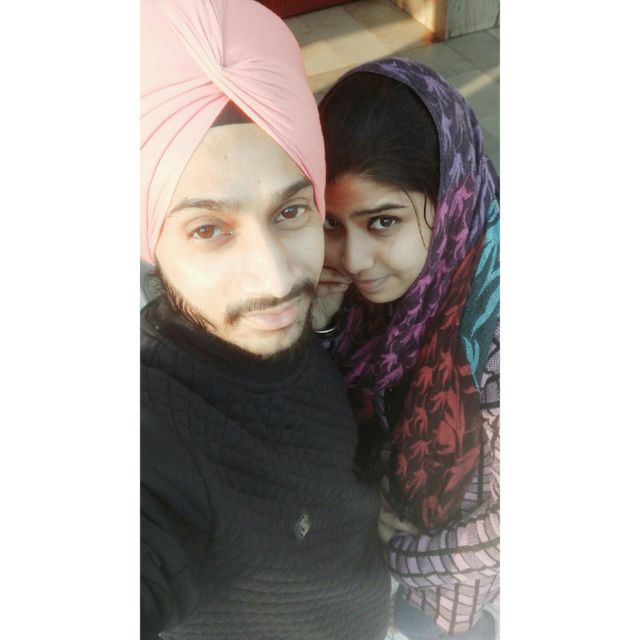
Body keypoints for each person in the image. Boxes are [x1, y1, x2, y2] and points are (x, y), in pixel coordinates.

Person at [139, 1, 389, 638]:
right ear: (148, 239)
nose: (276, 281)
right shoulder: (153, 425)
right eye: (208, 229)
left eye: (290, 212)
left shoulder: (313, 316)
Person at [314, 58, 500, 639]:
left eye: (383, 222)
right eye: (330, 224)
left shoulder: (496, 334)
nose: (353, 259)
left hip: (450, 591)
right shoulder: (354, 301)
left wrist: (397, 557)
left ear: (450, 198)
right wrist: (320, 329)